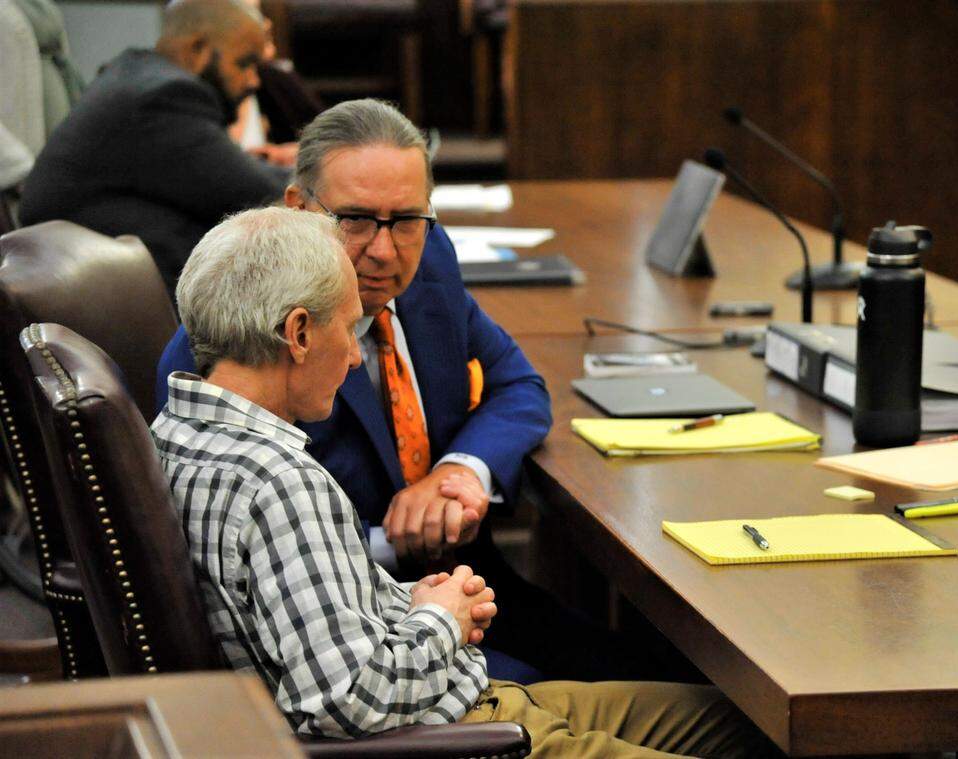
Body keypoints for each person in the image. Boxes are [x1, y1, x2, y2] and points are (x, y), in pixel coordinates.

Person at [151, 205, 771, 756]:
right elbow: (346, 700)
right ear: (299, 333)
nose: (354, 356)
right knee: (762, 735)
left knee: (749, 723)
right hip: (464, 738)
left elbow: (305, 619)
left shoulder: (172, 433)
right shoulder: (281, 484)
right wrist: (442, 621)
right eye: (348, 329)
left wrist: (419, 602)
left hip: (471, 702)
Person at [156, 98, 698, 684]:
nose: (384, 250)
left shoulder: (427, 261)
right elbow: (244, 560)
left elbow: (517, 384)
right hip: (370, 634)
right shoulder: (232, 347)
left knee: (673, 675)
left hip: (474, 588)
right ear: (299, 209)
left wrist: (459, 473)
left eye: (407, 220)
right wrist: (402, 538)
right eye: (355, 220)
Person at [19, 0, 288, 298]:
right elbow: (259, 192)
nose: (253, 81)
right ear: (196, 49)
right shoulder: (165, 97)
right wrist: (319, 165)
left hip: (90, 280)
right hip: (116, 300)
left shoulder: (138, 75)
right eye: (244, 64)